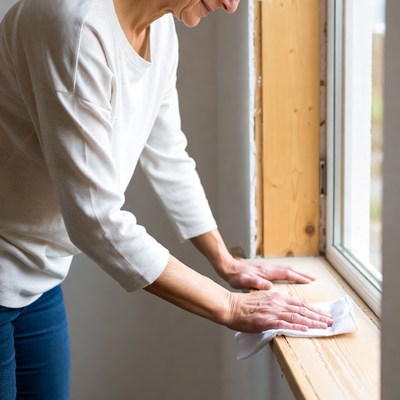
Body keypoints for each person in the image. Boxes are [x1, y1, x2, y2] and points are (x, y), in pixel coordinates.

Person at [0, 0, 333, 398]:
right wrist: (229, 306)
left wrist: (224, 261)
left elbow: (168, 154)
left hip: (39, 275)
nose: (231, 5)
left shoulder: (160, 30)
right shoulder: (73, 23)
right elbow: (96, 220)